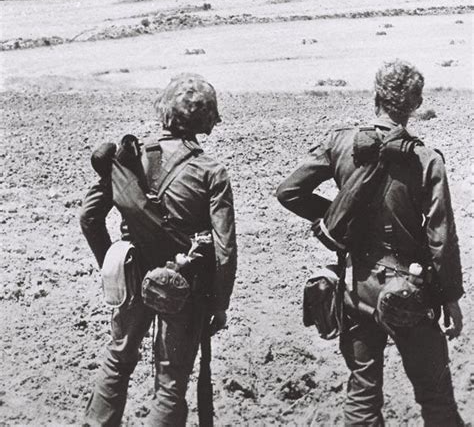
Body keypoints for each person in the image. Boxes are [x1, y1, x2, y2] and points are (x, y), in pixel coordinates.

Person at [276, 60, 464, 426]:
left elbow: (289, 192)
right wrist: (451, 298)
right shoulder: (425, 159)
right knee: (436, 398)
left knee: (362, 394)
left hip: (354, 285)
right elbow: (440, 237)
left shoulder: (340, 141)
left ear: (375, 95)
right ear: (416, 103)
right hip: (409, 288)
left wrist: (337, 215)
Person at [80, 74, 237, 426]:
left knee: (118, 359)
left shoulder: (129, 159)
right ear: (207, 120)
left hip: (132, 273)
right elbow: (225, 249)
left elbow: (89, 218)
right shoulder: (211, 171)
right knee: (170, 384)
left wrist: (112, 264)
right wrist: (219, 303)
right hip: (184, 285)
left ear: (165, 112)